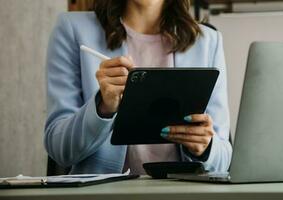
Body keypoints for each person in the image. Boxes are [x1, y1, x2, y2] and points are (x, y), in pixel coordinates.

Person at [44, 0, 231, 174]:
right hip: (105, 194)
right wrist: (103, 108)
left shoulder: (208, 42)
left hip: (183, 192)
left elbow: (223, 160)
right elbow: (59, 148)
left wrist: (206, 149)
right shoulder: (72, 30)